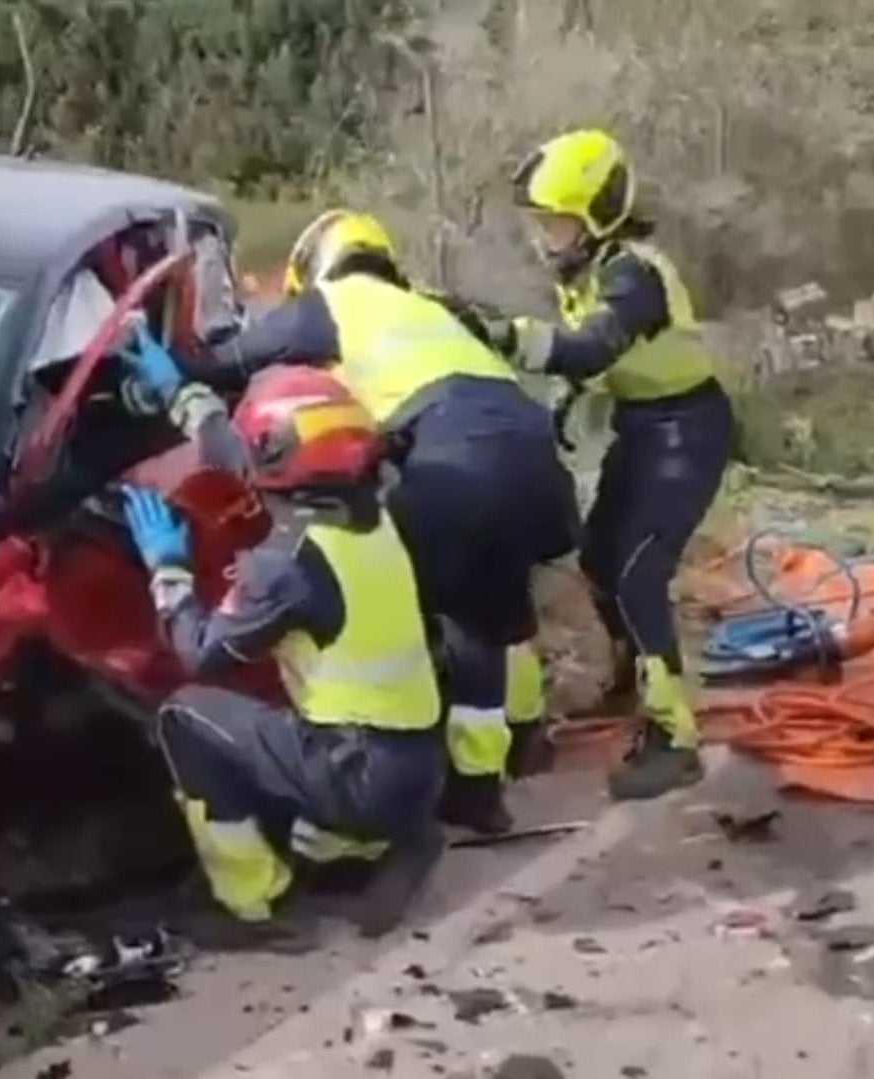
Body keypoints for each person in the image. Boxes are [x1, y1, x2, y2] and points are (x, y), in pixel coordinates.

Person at [184, 210, 579, 835]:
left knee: (399, 603)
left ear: (316, 264)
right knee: (484, 619)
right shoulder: (428, 308)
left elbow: (230, 361)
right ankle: (483, 786)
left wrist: (179, 386)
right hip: (536, 463)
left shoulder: (333, 303)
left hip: (457, 465)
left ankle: (374, 793)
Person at [116, 332, 450, 942]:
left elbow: (199, 651)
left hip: (357, 773)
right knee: (278, 706)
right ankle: (383, 843)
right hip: (421, 762)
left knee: (185, 718)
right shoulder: (373, 514)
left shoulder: (288, 565)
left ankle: (253, 902)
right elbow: (243, 455)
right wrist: (178, 394)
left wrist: (168, 569)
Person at [492, 128, 735, 802]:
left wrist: (503, 335)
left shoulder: (634, 275)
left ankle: (673, 735)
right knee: (600, 557)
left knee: (637, 572)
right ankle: (634, 674)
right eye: (542, 221)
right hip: (644, 424)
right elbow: (590, 362)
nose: (545, 234)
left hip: (688, 429)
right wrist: (563, 406)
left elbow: (594, 345)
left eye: (557, 220)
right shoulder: (588, 272)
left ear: (597, 213)